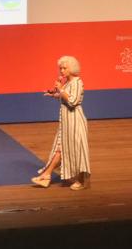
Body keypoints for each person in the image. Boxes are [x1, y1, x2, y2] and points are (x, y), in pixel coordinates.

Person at [32, 55, 91, 190]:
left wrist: (61, 89)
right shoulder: (68, 83)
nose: (62, 71)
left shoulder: (77, 82)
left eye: (65, 68)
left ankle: (81, 181)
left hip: (75, 121)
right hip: (66, 121)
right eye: (61, 68)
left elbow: (72, 101)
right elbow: (65, 97)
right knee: (60, 148)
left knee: (77, 150)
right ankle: (46, 176)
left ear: (72, 68)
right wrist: (54, 94)